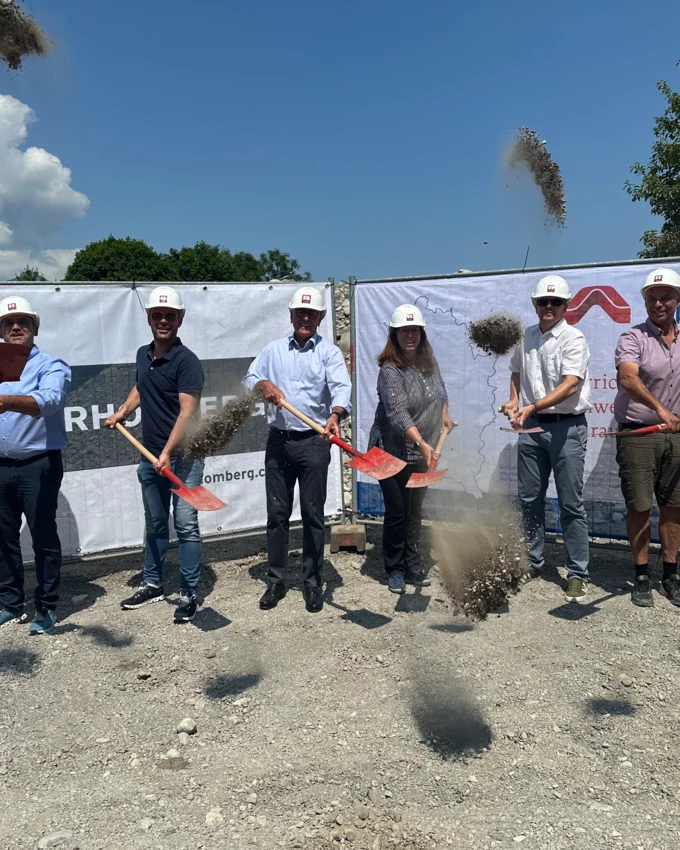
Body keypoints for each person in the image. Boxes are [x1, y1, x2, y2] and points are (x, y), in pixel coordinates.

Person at [243, 286, 351, 613]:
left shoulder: (328, 353)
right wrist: (262, 384)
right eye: (300, 313)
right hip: (279, 441)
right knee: (277, 515)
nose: (306, 318)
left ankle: (312, 583)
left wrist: (335, 415)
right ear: (291, 315)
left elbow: (341, 388)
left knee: (313, 514)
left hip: (314, 442)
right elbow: (249, 378)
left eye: (312, 314)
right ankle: (276, 581)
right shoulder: (273, 351)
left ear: (320, 318)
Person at [105, 286, 205, 624]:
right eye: (157, 315)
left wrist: (167, 452)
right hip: (151, 457)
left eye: (170, 316)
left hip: (184, 457)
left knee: (186, 524)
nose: (163, 320)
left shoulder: (187, 361)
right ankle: (152, 584)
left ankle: (188, 592)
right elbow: (141, 386)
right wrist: (123, 412)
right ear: (149, 318)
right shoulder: (143, 355)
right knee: (156, 522)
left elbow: (186, 413)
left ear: (180, 320)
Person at [500, 274, 591, 603]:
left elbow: (571, 384)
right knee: (528, 500)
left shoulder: (573, 338)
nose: (548, 306)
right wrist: (514, 400)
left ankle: (577, 573)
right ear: (535, 305)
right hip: (532, 427)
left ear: (566, 305)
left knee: (570, 504)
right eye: (543, 302)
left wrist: (533, 405)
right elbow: (516, 371)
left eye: (555, 302)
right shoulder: (524, 337)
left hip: (567, 428)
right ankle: (532, 562)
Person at [367, 304, 454, 594]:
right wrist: (420, 442)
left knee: (415, 509)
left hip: (422, 451)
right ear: (394, 335)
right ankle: (395, 568)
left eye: (414, 330)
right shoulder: (390, 370)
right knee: (397, 510)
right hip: (389, 451)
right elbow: (397, 413)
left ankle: (413, 562)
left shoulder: (429, 362)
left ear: (421, 333)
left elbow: (441, 393)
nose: (410, 335)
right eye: (404, 330)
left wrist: (444, 415)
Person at [0, 296, 71, 634]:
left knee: (43, 537)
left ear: (35, 328)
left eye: (23, 322)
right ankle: (10, 604)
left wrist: (5, 401)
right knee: (3, 538)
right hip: (1, 466)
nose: (16, 327)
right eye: (8, 323)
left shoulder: (51, 365)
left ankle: (46, 607)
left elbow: (51, 400)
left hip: (38, 464)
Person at [614, 267, 680, 608]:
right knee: (639, 507)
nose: (658, 304)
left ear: (677, 300)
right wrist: (662, 410)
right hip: (638, 435)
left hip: (677, 437)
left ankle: (671, 574)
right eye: (652, 298)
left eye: (666, 297)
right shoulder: (633, 337)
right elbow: (628, 379)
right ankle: (641, 575)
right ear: (645, 301)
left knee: (674, 507)